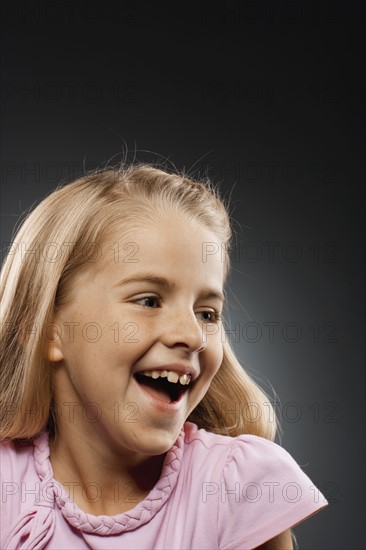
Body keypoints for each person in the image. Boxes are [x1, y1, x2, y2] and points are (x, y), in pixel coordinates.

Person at [0, 164, 328, 549]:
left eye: (207, 313)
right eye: (149, 301)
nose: (191, 335)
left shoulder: (239, 488)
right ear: (47, 329)